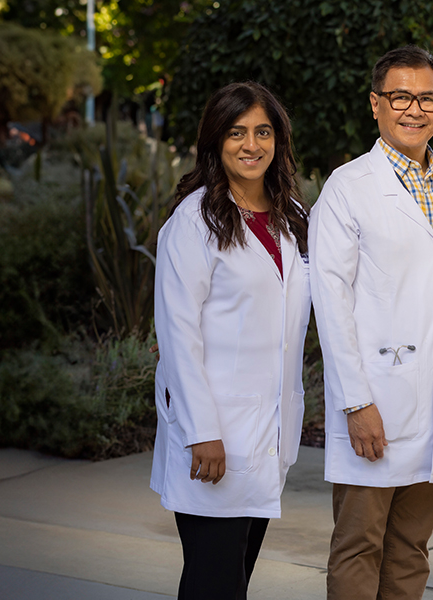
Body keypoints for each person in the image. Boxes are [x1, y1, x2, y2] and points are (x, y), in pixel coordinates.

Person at [309, 46, 433, 600]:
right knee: (359, 546)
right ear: (375, 104)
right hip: (377, 404)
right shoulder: (348, 187)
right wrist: (356, 402)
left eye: (427, 98)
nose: (414, 109)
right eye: (400, 96)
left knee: (412, 548)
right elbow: (331, 300)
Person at [149, 81, 311, 600]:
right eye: (237, 132)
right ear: (215, 141)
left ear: (278, 140)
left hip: (267, 434)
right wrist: (202, 431)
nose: (251, 145)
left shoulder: (293, 218)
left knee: (231, 580)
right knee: (213, 584)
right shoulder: (193, 222)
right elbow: (178, 334)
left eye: (263, 132)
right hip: (213, 434)